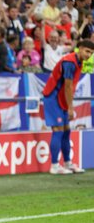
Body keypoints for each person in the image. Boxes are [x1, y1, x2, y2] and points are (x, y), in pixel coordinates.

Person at [42, 39, 94, 175]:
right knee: (58, 130)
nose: (89, 55)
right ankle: (54, 166)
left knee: (66, 130)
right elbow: (68, 87)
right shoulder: (70, 62)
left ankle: (67, 163)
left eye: (91, 53)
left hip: (61, 99)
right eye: (87, 51)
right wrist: (71, 108)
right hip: (53, 98)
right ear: (80, 48)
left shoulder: (79, 62)